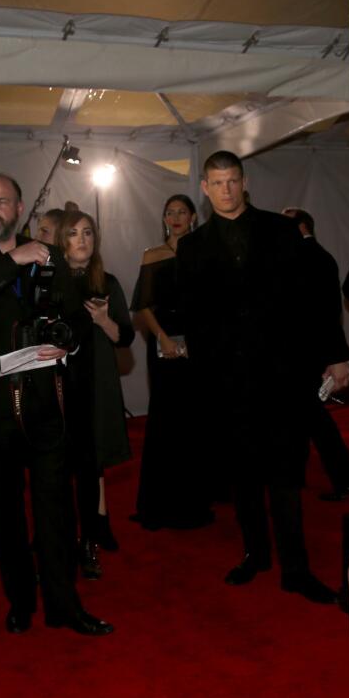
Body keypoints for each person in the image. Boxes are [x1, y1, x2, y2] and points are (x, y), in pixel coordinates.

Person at [177, 151, 348, 604]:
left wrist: (335, 356)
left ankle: (296, 569)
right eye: (217, 183)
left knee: (286, 474)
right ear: (205, 188)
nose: (226, 190)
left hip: (283, 375)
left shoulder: (280, 230)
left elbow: (314, 300)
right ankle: (256, 554)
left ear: (244, 181)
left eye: (233, 181)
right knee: (244, 474)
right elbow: (196, 322)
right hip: (228, 382)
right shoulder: (192, 248)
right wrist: (203, 384)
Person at [0, 173, 113, 636]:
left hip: (46, 406)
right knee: (4, 515)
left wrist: (68, 347)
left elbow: (75, 319)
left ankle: (64, 605)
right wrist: (12, 260)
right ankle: (20, 601)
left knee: (54, 513)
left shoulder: (49, 257)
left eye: (2, 201)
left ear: (19, 208)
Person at [58, 210, 134, 578]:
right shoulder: (51, 281)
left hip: (94, 384)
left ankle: (89, 541)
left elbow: (127, 337)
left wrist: (104, 320)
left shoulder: (108, 282)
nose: (82, 239)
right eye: (74, 233)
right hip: (56, 386)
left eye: (88, 232)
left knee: (90, 469)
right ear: (62, 240)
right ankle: (57, 540)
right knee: (57, 470)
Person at [130, 194, 213, 530]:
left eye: (182, 211)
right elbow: (142, 306)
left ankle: (194, 503)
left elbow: (213, 303)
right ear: (163, 218)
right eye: (170, 212)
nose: (175, 217)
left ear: (193, 216)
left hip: (198, 345)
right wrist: (162, 337)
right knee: (164, 419)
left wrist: (200, 338)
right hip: (162, 342)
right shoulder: (153, 254)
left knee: (194, 421)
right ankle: (158, 504)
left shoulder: (204, 253)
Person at [281, 207, 349, 501]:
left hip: (303, 353)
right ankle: (300, 476)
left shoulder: (302, 256)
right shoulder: (321, 256)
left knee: (312, 417)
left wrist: (336, 358)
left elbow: (327, 313)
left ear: (301, 226)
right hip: (310, 351)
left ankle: (346, 476)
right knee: (302, 416)